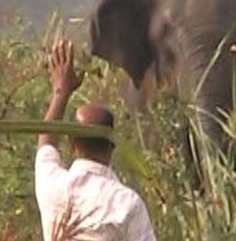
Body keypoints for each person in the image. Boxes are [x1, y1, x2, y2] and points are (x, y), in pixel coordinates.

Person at [34, 39, 157, 241]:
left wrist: (61, 91)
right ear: (112, 146)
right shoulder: (126, 203)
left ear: (72, 143)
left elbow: (46, 143)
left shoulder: (52, 185)